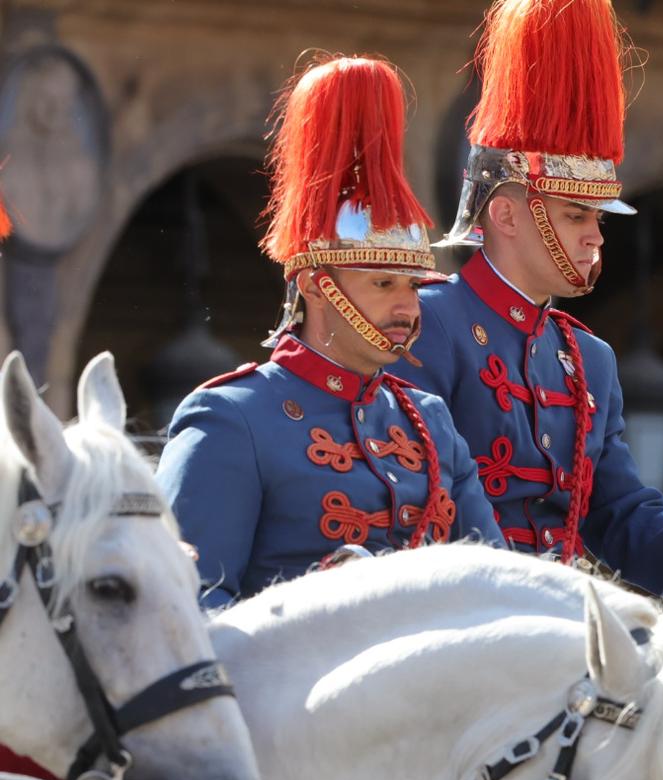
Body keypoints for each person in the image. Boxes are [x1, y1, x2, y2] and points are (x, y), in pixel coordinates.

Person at [409, 0, 663, 595]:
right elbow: (417, 501)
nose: (594, 235)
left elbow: (620, 519)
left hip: (561, 619)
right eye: (575, 214)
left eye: (597, 217)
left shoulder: (590, 360)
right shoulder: (429, 322)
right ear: (504, 214)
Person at [156, 55, 501, 610]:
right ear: (317, 286)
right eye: (383, 283)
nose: (406, 305)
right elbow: (188, 609)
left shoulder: (430, 421)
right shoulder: (230, 418)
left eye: (412, 286)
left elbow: (492, 588)